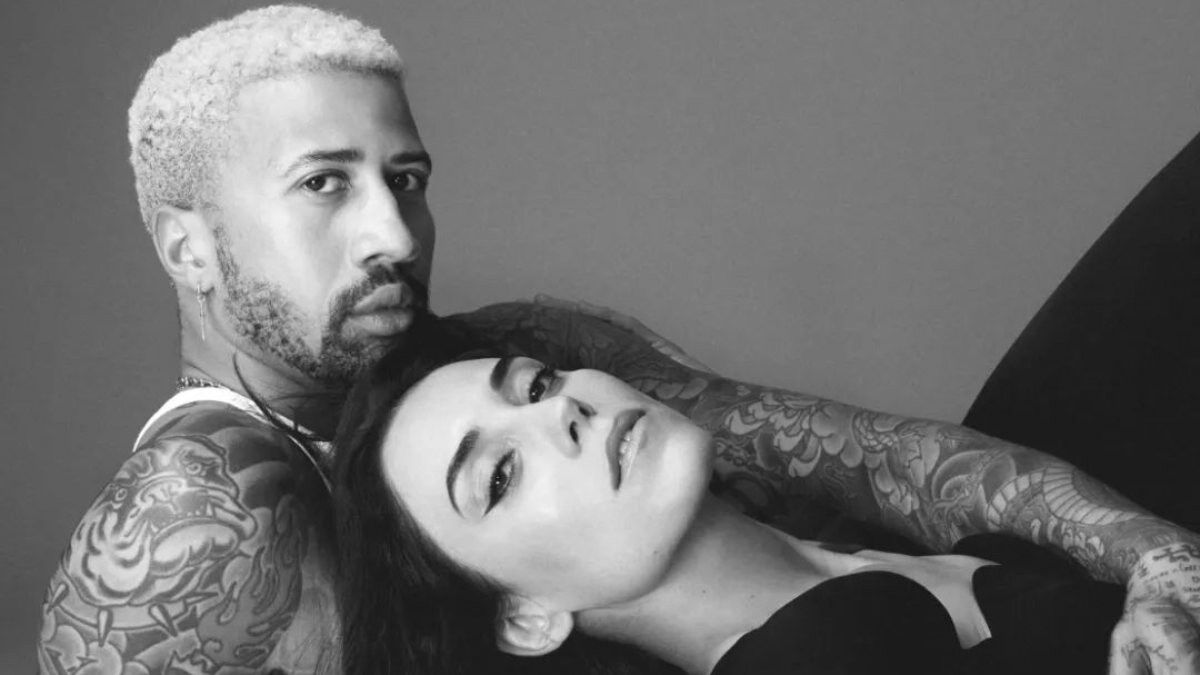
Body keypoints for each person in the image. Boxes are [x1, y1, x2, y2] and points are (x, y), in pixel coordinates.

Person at [34, 5, 1200, 674]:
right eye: (324, 184)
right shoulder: (190, 527)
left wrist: (1154, 559)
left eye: (407, 177)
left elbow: (878, 462)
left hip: (969, 601)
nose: (393, 233)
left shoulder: (512, 345)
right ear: (189, 247)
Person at [329, 315, 1128, 675]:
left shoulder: (868, 569)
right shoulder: (815, 653)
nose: (559, 412)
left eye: (534, 384)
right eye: (500, 475)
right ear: (524, 618)